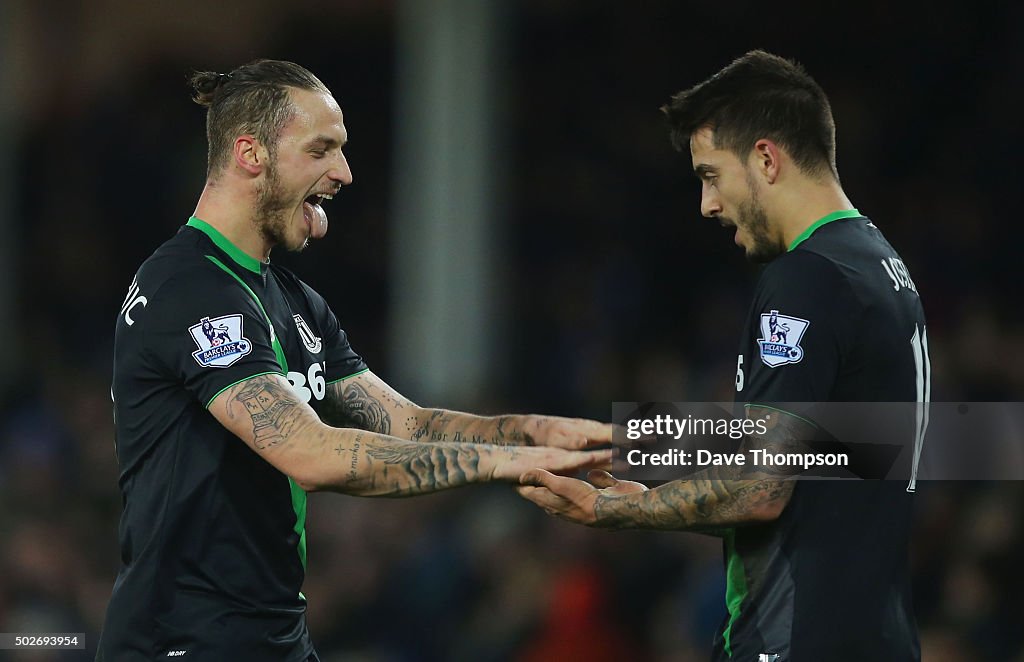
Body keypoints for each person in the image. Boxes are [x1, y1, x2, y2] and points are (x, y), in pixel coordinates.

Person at [97, 59, 611, 662]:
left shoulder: (295, 302)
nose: (343, 172)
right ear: (250, 153)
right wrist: (506, 463)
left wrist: (543, 432)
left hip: (273, 638)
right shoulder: (188, 288)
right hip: (179, 644)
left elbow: (409, 424)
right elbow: (310, 453)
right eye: (321, 150)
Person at [518, 50, 929, 661]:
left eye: (711, 175)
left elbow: (760, 488)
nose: (707, 205)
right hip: (874, 637)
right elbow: (814, 479)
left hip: (796, 640)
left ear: (766, 158)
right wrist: (643, 491)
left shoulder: (806, 278)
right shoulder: (879, 265)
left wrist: (610, 510)